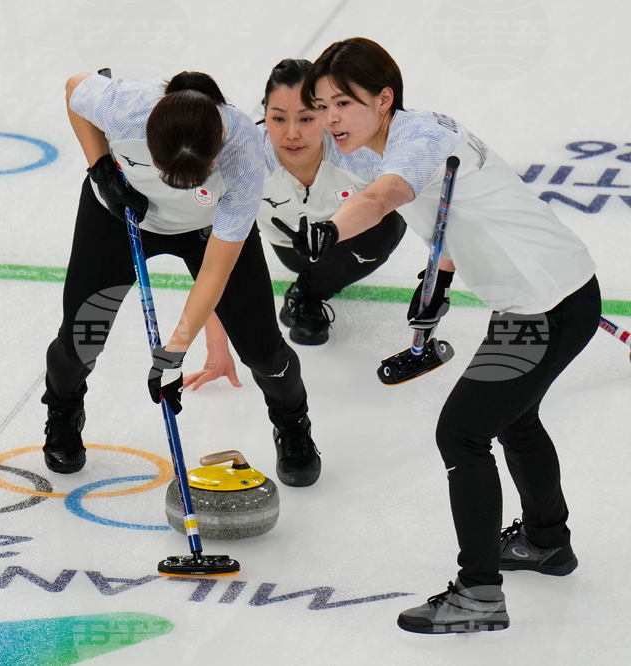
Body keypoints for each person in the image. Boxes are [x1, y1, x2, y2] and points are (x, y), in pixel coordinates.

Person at [297, 37, 600, 633]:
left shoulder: (421, 138)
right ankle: (546, 541)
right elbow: (451, 211)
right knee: (514, 419)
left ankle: (479, 592)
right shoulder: (375, 144)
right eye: (322, 104)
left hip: (545, 307)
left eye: (344, 103)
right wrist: (440, 276)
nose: (331, 118)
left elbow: (385, 197)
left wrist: (329, 231)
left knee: (461, 433)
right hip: (542, 297)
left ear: (384, 99)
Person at [42, 69, 321, 487]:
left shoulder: (245, 156)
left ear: (215, 156)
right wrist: (103, 169)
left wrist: (172, 354)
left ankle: (292, 421)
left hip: (207, 230)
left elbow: (214, 272)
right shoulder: (126, 108)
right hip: (118, 217)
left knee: (264, 353)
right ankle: (63, 411)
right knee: (81, 343)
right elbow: (73, 88)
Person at [184, 58, 406, 393]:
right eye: (278, 118)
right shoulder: (242, 161)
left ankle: (306, 295)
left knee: (390, 222)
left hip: (344, 245)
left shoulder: (361, 152)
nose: (291, 133)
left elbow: (420, 204)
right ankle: (307, 285)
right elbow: (213, 258)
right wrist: (217, 348)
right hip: (291, 251)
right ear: (264, 113)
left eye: (306, 117)